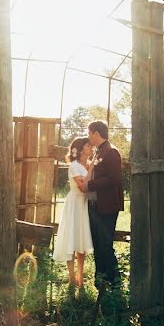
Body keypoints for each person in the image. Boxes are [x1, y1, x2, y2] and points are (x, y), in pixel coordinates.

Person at [80, 121, 124, 287]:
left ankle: (114, 280)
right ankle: (100, 280)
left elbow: (115, 179)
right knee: (98, 243)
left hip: (107, 207)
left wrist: (90, 185)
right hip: (96, 206)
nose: (88, 136)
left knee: (105, 243)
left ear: (96, 133)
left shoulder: (111, 152)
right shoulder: (99, 152)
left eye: (89, 133)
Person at [52, 136, 94, 287]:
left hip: (84, 204)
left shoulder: (89, 164)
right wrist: (92, 168)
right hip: (74, 203)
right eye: (89, 146)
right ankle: (71, 277)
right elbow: (83, 185)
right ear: (81, 149)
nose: (92, 148)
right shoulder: (74, 166)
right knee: (71, 238)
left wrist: (92, 166)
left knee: (81, 240)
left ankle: (80, 276)